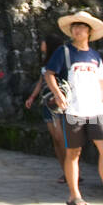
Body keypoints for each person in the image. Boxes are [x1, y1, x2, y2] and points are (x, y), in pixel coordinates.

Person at [44, 11, 103, 205]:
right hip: (73, 109)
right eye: (75, 26)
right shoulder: (64, 52)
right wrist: (58, 94)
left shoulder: (94, 56)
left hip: (95, 109)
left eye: (82, 26)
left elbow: (102, 83)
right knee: (73, 152)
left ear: (89, 31)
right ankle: (74, 195)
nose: (77, 29)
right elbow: (50, 74)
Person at [25, 32, 78, 185]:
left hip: (59, 102)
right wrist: (32, 97)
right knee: (56, 140)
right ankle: (65, 171)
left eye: (43, 42)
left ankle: (72, 173)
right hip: (47, 102)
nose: (41, 45)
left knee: (62, 139)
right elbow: (41, 81)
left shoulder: (60, 58)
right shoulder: (46, 62)